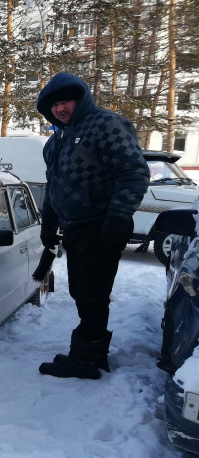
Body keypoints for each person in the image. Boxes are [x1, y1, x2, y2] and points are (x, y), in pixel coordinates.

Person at [36, 72, 149, 379]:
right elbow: (53, 186)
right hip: (75, 227)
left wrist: (117, 218)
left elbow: (133, 173)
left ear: (81, 98)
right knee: (85, 293)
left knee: (91, 294)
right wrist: (49, 223)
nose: (60, 108)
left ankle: (85, 361)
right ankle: (90, 353)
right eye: (54, 104)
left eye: (65, 100)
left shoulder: (106, 125)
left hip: (99, 226)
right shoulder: (56, 141)